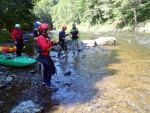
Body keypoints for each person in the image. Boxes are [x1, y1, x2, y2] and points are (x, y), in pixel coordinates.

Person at [35, 23, 58, 91]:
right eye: (48, 29)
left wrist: (55, 43)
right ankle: (48, 84)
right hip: (43, 56)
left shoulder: (46, 36)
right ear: (44, 30)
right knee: (49, 69)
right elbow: (45, 47)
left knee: (46, 69)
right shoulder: (41, 37)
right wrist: (50, 42)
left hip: (46, 55)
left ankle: (45, 82)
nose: (49, 30)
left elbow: (48, 43)